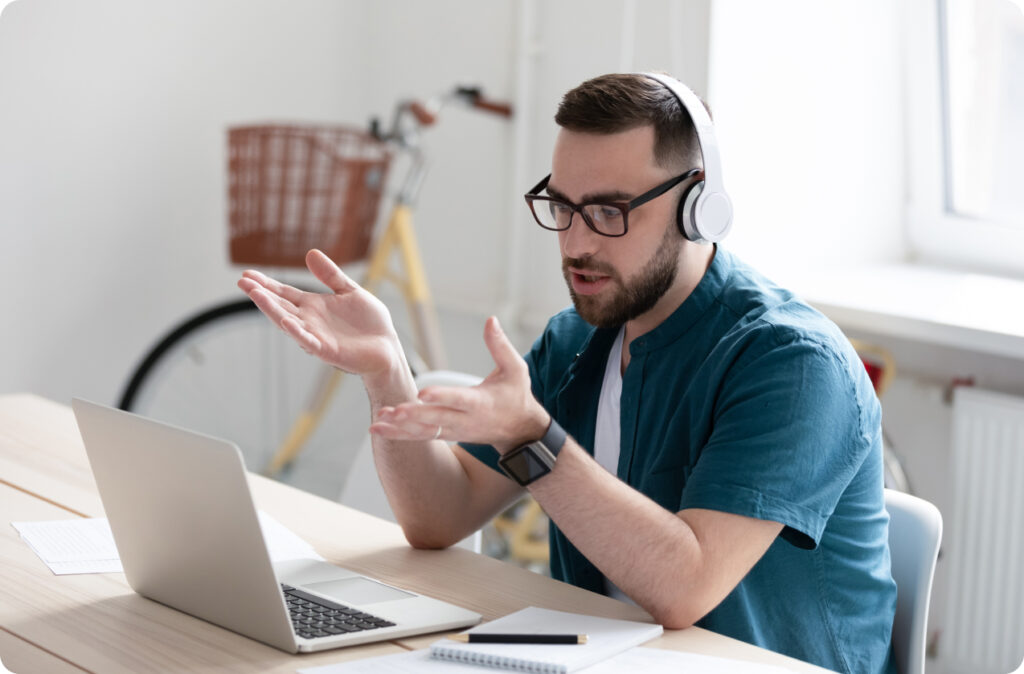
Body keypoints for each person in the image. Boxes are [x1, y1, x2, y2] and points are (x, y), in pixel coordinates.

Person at [238, 73, 897, 674]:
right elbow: (439, 517)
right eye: (562, 207)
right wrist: (386, 372)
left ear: (700, 206)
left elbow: (685, 588)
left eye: (609, 212)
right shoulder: (581, 337)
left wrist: (534, 438)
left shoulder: (792, 363)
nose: (577, 244)